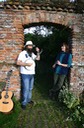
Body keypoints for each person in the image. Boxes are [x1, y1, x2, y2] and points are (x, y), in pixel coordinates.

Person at [16, 41, 40, 109]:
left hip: (32, 73)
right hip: (25, 74)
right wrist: (26, 64)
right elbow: (18, 62)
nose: (30, 47)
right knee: (26, 88)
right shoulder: (22, 53)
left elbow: (38, 58)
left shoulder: (32, 54)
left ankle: (28, 100)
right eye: (29, 45)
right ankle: (24, 103)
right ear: (26, 46)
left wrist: (38, 52)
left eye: (31, 46)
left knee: (30, 88)